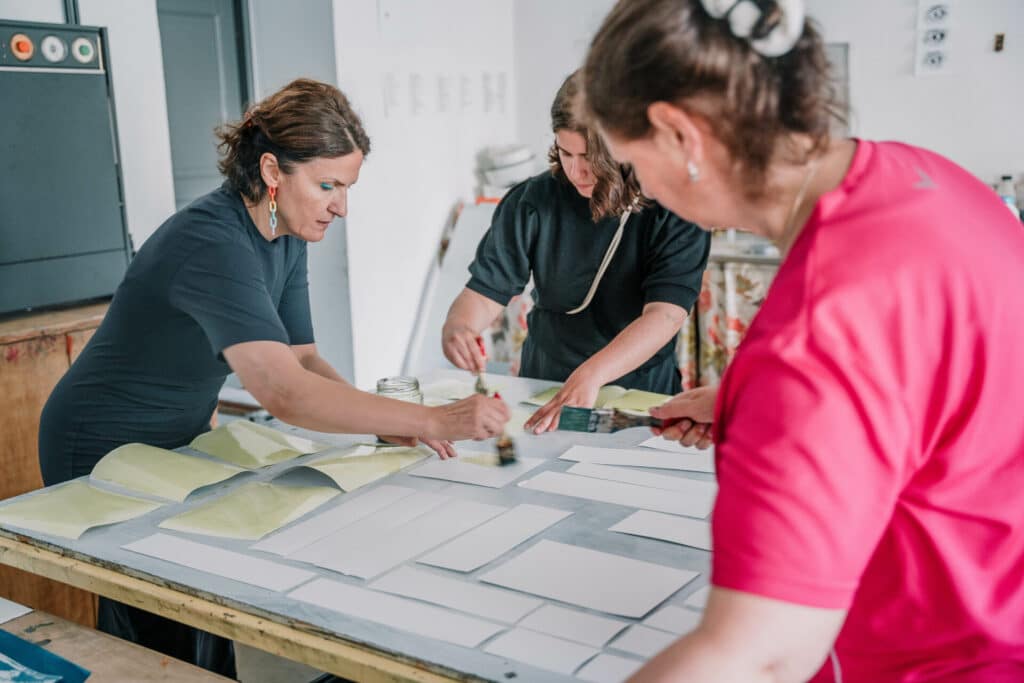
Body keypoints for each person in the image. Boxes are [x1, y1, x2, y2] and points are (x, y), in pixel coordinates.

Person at [583, 1, 1024, 681]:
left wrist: (782, 403)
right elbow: (939, 373)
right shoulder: (923, 175)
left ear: (678, 133)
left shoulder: (816, 336)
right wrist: (747, 403)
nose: (643, 188)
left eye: (633, 163)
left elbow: (761, 656)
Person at [38, 78, 508, 676]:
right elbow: (282, 392)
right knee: (157, 621)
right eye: (328, 185)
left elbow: (304, 360)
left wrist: (387, 424)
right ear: (272, 170)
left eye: (347, 188)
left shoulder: (284, 236)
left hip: (171, 439)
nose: (341, 207)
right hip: (97, 442)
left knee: (196, 608)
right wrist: (428, 417)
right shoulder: (212, 239)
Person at [442, 71, 710, 433]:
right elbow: (485, 291)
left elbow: (665, 315)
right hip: (546, 386)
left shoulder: (672, 206)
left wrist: (592, 374)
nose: (577, 170)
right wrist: (459, 327)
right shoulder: (532, 201)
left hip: (639, 390)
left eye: (591, 157)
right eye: (566, 153)